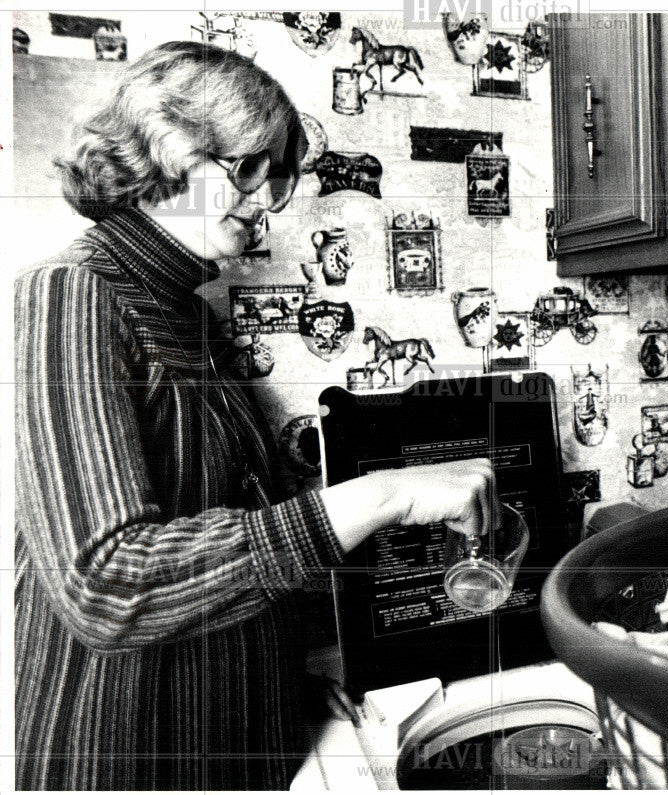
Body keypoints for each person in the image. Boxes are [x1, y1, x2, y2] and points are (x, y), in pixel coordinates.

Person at [13, 41, 499, 790]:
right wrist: (384, 493)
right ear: (167, 147)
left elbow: (225, 535)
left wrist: (280, 685)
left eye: (276, 175)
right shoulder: (71, 292)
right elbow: (105, 582)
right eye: (247, 167)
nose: (269, 199)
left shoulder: (191, 316)